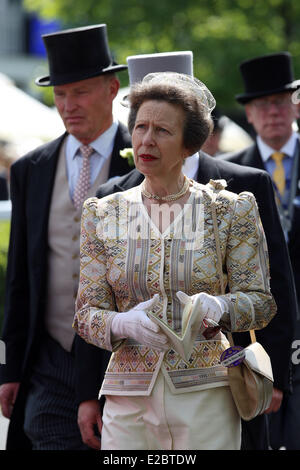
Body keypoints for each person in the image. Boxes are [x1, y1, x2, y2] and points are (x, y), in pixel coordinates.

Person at [95, 52, 298, 450]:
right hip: (131, 396)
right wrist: (93, 386)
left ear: (191, 134)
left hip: (222, 383)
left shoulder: (238, 195)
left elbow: (274, 287)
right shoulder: (109, 203)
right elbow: (91, 305)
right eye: (140, 126)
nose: (147, 139)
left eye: (162, 128)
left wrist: (275, 376)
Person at [0, 24, 132, 450]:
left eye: (81, 92)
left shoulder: (147, 159)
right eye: (60, 95)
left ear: (112, 89)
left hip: (130, 359)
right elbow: (21, 276)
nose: (68, 106)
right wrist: (10, 369)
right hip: (51, 358)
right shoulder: (30, 169)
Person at [218, 51, 300, 450]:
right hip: (265, 331)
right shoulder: (228, 175)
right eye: (261, 105)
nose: (272, 113)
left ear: (294, 105)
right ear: (248, 114)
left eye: (280, 102)